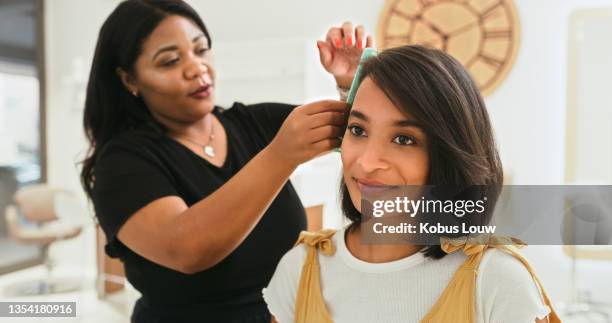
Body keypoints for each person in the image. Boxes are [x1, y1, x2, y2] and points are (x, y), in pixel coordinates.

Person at [80, 0, 372, 322]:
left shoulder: (253, 122)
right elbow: (187, 249)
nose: (196, 67)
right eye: (170, 61)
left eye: (201, 50)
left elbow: (360, 134)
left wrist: (351, 84)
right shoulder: (122, 164)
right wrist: (279, 156)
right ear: (129, 79)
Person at [263, 45, 560, 323]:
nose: (366, 162)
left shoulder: (497, 281)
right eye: (358, 130)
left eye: (404, 139)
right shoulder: (300, 269)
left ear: (449, 155)